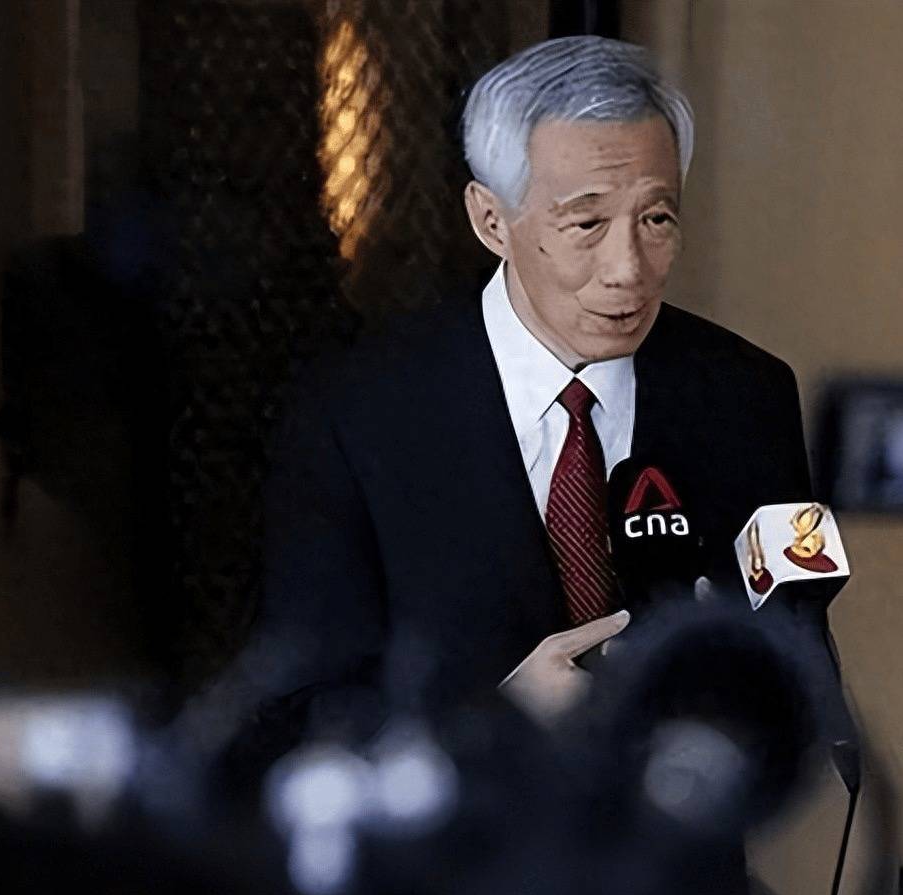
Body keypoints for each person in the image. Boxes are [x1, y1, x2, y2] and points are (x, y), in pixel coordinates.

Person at [184, 35, 815, 754]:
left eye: (656, 219)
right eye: (586, 224)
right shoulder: (356, 415)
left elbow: (799, 638)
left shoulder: (747, 395)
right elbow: (302, 707)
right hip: (454, 822)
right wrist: (489, 721)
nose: (628, 268)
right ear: (492, 221)